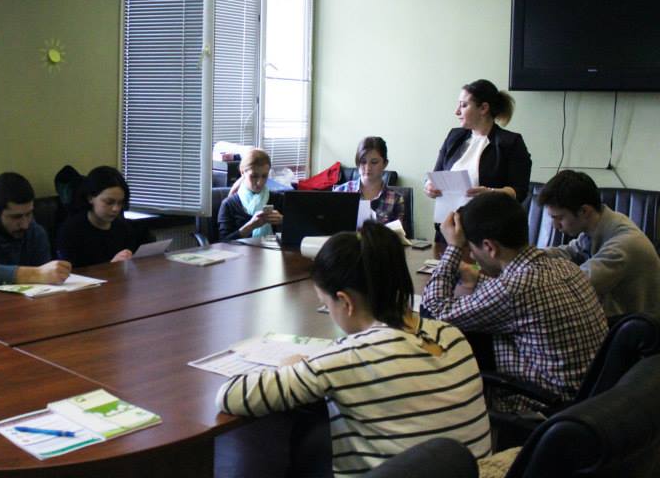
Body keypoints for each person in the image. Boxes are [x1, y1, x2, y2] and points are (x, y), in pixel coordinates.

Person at [216, 223, 491, 476]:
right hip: (473, 472)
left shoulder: (349, 359)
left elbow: (229, 396)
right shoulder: (451, 335)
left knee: (300, 437)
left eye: (326, 303)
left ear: (345, 302)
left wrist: (288, 369)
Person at [422, 192, 607, 412]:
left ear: (490, 247)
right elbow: (518, 296)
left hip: (546, 406)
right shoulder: (565, 267)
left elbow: (434, 311)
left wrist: (453, 249)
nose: (472, 257)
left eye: (471, 250)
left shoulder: (514, 289)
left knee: (445, 337)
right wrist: (477, 277)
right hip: (591, 398)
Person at [538, 170, 660, 319]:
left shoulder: (623, 245)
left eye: (559, 218)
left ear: (584, 211)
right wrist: (528, 254)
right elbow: (569, 252)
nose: (555, 226)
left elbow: (576, 285)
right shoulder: (597, 225)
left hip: (635, 328)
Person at [425, 79, 532, 203]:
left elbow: (519, 191)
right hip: (450, 214)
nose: (457, 111)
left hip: (490, 213)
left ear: (483, 108)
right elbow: (435, 176)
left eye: (464, 105)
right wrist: (429, 187)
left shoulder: (511, 142)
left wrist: (490, 193)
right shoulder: (454, 136)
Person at [56, 166, 144, 267]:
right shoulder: (71, 231)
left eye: (120, 203)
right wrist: (111, 266)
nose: (116, 209)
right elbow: (71, 271)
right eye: (109, 202)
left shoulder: (124, 229)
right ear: (90, 198)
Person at [333, 136, 405, 226]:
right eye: (363, 162)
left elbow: (398, 233)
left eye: (374, 162)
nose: (368, 168)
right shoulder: (340, 192)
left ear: (385, 164)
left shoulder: (396, 199)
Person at [217, 148, 284, 241]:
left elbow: (297, 234)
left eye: (264, 176)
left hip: (273, 250)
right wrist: (250, 226)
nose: (260, 182)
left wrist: (284, 222)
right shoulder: (229, 204)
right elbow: (223, 243)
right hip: (241, 250)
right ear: (242, 173)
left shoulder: (279, 199)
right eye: (254, 176)